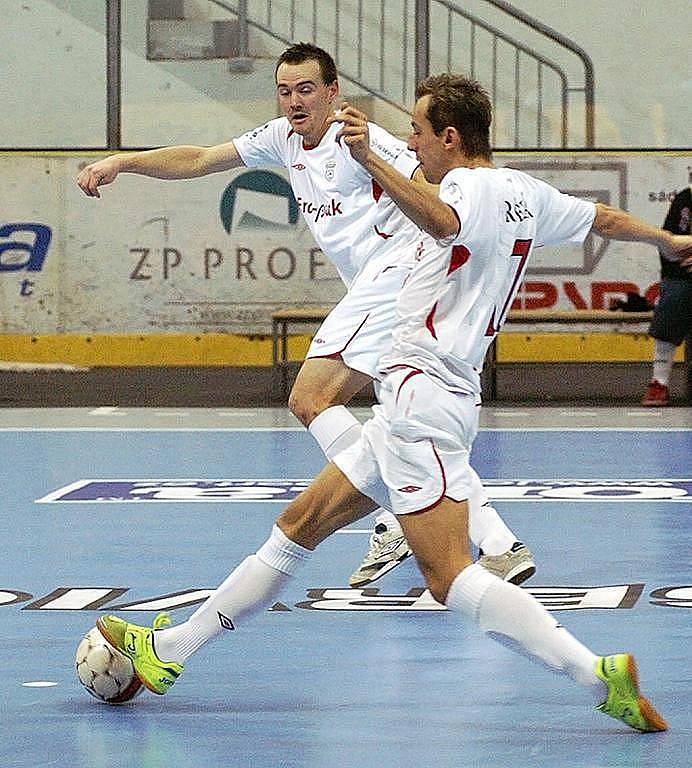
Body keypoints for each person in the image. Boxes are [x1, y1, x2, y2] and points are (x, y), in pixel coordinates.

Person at [93, 72, 692, 732]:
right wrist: (666, 241)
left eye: (418, 130)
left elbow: (442, 220)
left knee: (450, 578)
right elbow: (601, 218)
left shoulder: (461, 187)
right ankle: (169, 653)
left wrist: (369, 158)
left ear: (452, 137)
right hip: (419, 401)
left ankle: (595, 673)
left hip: (421, 400)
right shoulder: (528, 193)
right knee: (298, 526)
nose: (412, 141)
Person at [77, 42, 535, 589]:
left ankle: (395, 516)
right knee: (400, 427)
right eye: (285, 90)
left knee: (311, 396)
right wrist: (121, 162)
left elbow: (440, 181)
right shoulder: (281, 139)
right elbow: (199, 159)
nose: (295, 101)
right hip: (376, 291)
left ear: (333, 92)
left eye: (307, 89)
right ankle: (498, 542)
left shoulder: (361, 142)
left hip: (398, 279)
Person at [641, 184, 692, 406]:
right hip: (683, 274)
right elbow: (666, 242)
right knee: (673, 296)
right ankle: (659, 382)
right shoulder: (684, 200)